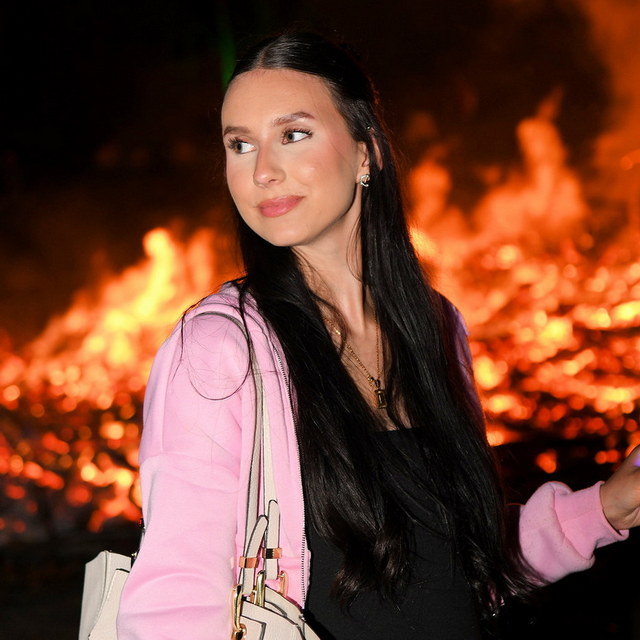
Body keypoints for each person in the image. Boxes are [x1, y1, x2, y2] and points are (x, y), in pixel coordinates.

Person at [117, 32, 640, 640]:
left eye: (293, 134)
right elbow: (174, 602)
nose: (262, 171)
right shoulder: (219, 349)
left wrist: (606, 507)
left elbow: (453, 562)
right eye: (240, 144)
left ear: (366, 153)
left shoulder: (433, 326)